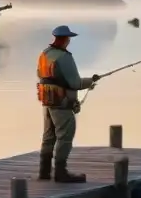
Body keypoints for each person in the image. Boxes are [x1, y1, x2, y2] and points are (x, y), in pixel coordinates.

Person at [36, 24, 101, 182]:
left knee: (48, 137)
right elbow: (75, 83)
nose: (68, 41)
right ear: (65, 39)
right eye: (68, 38)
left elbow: (42, 75)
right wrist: (90, 81)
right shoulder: (64, 57)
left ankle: (44, 172)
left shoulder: (45, 54)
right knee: (65, 136)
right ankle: (60, 172)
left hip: (47, 101)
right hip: (61, 103)